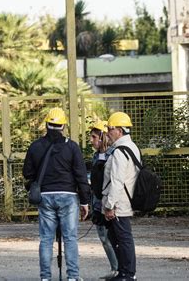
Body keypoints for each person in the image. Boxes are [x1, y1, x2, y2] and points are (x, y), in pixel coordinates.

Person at [23, 107, 90, 281]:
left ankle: (45, 277)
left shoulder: (35, 146)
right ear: (63, 126)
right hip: (68, 196)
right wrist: (85, 201)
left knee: (46, 239)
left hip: (45, 196)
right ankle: (73, 277)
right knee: (70, 238)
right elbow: (81, 176)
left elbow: (27, 173)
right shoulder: (72, 147)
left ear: (46, 124)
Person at [102, 112, 140, 281]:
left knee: (123, 238)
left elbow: (116, 181)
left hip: (119, 203)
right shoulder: (132, 147)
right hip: (126, 198)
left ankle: (128, 274)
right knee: (116, 236)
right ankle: (124, 272)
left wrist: (109, 205)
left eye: (110, 129)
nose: (108, 133)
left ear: (118, 130)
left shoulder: (119, 151)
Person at [88, 120, 118, 280]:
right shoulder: (95, 156)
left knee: (112, 236)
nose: (91, 140)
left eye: (94, 137)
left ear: (102, 136)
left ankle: (119, 269)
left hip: (109, 202)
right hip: (97, 201)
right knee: (104, 237)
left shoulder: (113, 154)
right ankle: (115, 269)